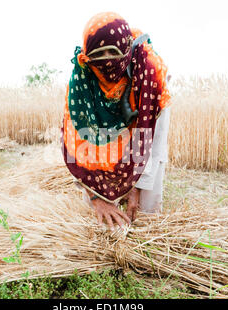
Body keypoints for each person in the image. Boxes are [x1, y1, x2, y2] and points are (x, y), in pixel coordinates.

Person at [61, 12, 171, 230]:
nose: (108, 61)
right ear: (88, 57)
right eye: (99, 54)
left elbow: (151, 138)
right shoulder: (82, 81)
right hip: (103, 154)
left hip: (143, 150)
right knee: (101, 223)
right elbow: (78, 146)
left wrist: (136, 186)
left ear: (126, 50)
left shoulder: (150, 74)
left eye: (114, 51)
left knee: (144, 217)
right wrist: (96, 198)